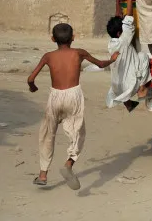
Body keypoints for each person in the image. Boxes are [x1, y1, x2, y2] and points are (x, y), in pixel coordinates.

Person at [28, 23, 119, 190]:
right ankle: (69, 163)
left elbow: (30, 78)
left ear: (53, 39)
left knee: (47, 134)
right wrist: (112, 60)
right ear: (73, 37)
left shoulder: (48, 56)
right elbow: (100, 64)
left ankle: (42, 174)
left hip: (54, 96)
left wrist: (33, 87)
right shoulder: (79, 52)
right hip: (73, 96)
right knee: (77, 133)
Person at [106, 0, 152, 113]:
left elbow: (119, 18)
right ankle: (142, 89)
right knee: (142, 56)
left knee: (124, 70)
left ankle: (128, 103)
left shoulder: (111, 43)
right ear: (119, 33)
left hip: (116, 87)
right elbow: (128, 17)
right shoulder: (124, 38)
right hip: (129, 86)